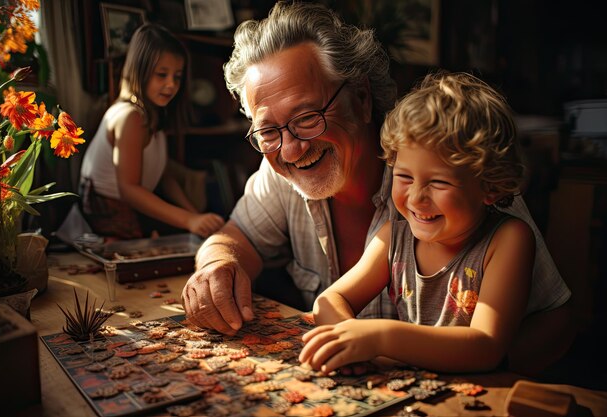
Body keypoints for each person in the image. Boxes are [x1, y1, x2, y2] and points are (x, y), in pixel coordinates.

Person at [181, 1, 574, 374]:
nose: (291, 148)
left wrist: (452, 372)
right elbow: (235, 237)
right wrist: (218, 264)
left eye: (308, 116)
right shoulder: (284, 173)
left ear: (362, 98)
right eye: (268, 130)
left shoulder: (464, 170)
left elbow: (554, 322)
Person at [299, 71, 561, 373]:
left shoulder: (509, 239)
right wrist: (349, 342)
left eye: (438, 182)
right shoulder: (392, 237)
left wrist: (380, 338)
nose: (416, 198)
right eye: (404, 176)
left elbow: (485, 347)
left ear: (490, 187)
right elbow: (331, 299)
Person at [79, 23, 224, 239]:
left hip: (130, 209)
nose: (171, 85)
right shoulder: (130, 116)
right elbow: (129, 189)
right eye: (161, 75)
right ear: (140, 71)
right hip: (107, 215)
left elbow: (162, 174)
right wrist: (189, 220)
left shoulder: (152, 114)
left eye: (177, 77)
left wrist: (193, 214)